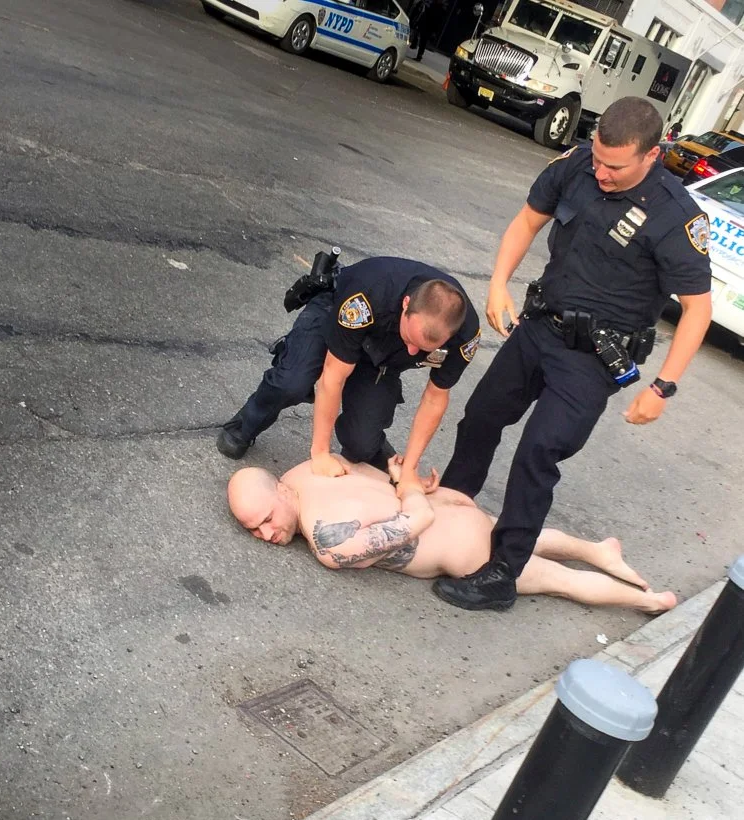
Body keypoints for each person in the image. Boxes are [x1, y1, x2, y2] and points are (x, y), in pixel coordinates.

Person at [432, 96, 712, 613]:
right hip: (540, 325)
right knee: (480, 418)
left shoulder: (676, 217)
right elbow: (526, 222)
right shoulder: (578, 163)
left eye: (615, 166)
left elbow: (697, 310)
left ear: (652, 155)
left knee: (540, 451)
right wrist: (498, 284)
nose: (601, 171)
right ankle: (454, 505)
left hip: (593, 358)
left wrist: (663, 387)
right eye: (598, 158)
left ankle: (502, 573)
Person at [226, 458, 677, 614]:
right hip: (450, 508)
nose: (266, 533)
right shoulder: (305, 471)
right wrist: (413, 485)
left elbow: (415, 523)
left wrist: (416, 499)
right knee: (516, 539)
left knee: (559, 581)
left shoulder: (328, 540)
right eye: (254, 530)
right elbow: (376, 475)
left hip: (459, 549)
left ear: (280, 491)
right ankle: (597, 550)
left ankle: (649, 601)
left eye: (265, 518)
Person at [216, 257, 481, 495]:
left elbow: (435, 398)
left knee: (362, 444)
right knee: (293, 382)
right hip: (335, 316)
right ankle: (243, 426)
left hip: (381, 355)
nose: (413, 351)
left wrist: (410, 470)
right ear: (406, 304)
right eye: (412, 339)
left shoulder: (465, 336)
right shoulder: (366, 297)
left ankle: (386, 457)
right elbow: (333, 375)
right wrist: (320, 453)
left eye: (422, 350)